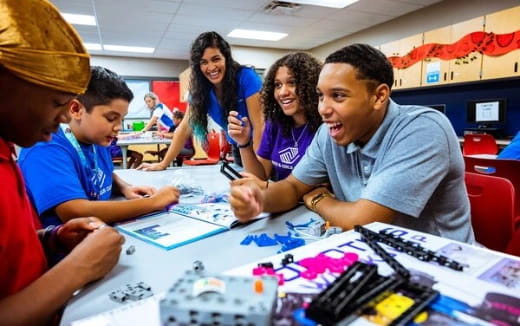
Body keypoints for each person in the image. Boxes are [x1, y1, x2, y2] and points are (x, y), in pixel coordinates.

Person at [229, 43, 475, 243]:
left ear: (379, 96)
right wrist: (260, 199)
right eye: (320, 96)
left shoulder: (422, 129)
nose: (323, 109)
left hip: (439, 264)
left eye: (337, 96)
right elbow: (292, 187)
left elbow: (364, 221)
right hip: (372, 251)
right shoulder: (330, 133)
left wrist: (318, 199)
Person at [0, 0, 123, 324]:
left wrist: (52, 238)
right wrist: (79, 268)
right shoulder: (38, 148)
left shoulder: (8, 153)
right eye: (56, 102)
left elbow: (10, 254)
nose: (62, 118)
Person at [19, 66, 180, 227]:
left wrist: (125, 187)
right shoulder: (45, 148)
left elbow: (101, 172)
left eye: (121, 119)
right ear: (76, 109)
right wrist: (154, 203)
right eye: (111, 118)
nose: (117, 127)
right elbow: (74, 212)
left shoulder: (98, 138)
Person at [137, 31, 263, 170]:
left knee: (264, 186)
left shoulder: (246, 77)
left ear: (226, 58)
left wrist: (260, 166)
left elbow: (259, 126)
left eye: (216, 59)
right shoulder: (200, 90)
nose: (211, 67)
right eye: (204, 62)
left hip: (263, 147)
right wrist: (163, 164)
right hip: (239, 147)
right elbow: (184, 128)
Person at [227, 52, 322, 181]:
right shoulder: (275, 124)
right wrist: (244, 143)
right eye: (278, 85)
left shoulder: (325, 128)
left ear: (310, 86)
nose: (283, 92)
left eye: (292, 83)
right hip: (284, 198)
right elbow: (259, 178)